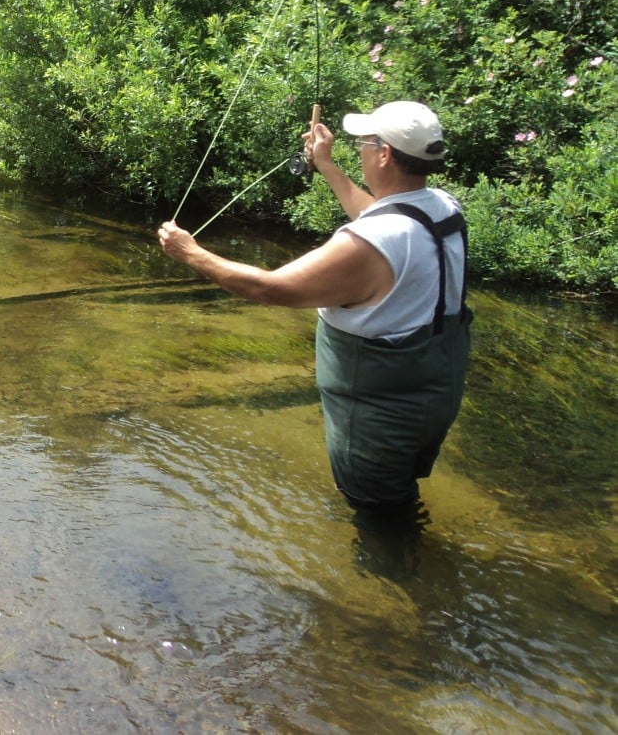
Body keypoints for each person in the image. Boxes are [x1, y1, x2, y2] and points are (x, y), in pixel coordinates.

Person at [157, 101, 471, 512]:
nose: (359, 148)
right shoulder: (442, 207)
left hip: (379, 416)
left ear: (384, 154)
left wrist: (192, 254)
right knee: (398, 501)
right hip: (434, 394)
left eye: (365, 142)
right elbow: (383, 215)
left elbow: (271, 289)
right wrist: (325, 165)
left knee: (381, 520)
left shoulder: (369, 243)